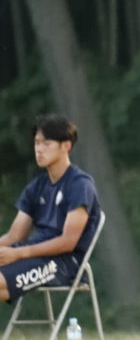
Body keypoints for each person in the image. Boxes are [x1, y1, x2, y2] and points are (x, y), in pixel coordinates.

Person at [0, 114, 102, 303]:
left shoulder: (80, 185)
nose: (39, 149)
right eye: (36, 143)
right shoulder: (36, 187)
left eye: (46, 144)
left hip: (63, 263)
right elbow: (14, 236)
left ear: (66, 146)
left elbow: (67, 242)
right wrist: (15, 251)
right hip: (29, 255)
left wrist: (19, 253)